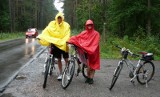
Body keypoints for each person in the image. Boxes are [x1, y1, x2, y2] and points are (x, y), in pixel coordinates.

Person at [37, 12, 71, 80]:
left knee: (66, 59)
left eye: (60, 18)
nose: (59, 19)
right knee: (58, 59)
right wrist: (41, 36)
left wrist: (65, 41)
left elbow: (68, 34)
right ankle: (61, 73)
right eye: (58, 18)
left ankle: (67, 73)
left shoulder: (66, 25)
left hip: (64, 44)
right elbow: (47, 30)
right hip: (56, 44)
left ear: (62, 18)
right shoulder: (52, 23)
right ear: (56, 18)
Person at [68, 19, 100, 84]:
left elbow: (95, 43)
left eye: (90, 25)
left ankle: (91, 78)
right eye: (88, 25)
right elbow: (78, 37)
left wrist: (90, 48)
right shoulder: (84, 32)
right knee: (88, 66)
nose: (89, 26)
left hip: (94, 52)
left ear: (92, 25)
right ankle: (88, 77)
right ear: (86, 25)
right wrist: (71, 40)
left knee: (93, 66)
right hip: (86, 52)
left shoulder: (96, 34)